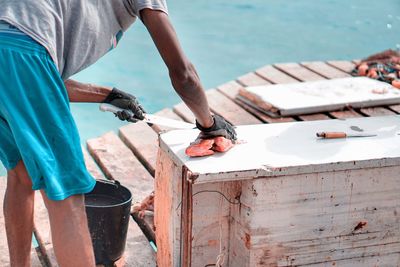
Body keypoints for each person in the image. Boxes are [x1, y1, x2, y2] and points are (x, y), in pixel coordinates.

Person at [0, 0, 236, 266]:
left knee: (20, 175)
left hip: (16, 53)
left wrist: (108, 95)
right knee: (67, 195)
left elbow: (26, 70)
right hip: (24, 56)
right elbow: (184, 75)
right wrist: (209, 123)